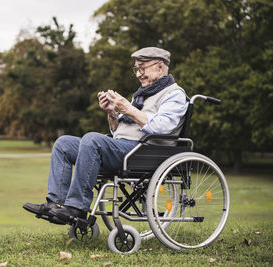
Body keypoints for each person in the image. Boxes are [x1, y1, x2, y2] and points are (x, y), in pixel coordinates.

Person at [23, 47, 189, 225]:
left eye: (143, 68)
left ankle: (76, 208)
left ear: (160, 67)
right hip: (125, 148)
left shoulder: (174, 94)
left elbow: (162, 127)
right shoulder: (141, 95)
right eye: (136, 69)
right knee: (63, 144)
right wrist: (113, 113)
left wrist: (128, 108)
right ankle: (57, 205)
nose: (139, 74)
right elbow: (119, 132)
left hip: (145, 152)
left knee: (92, 139)